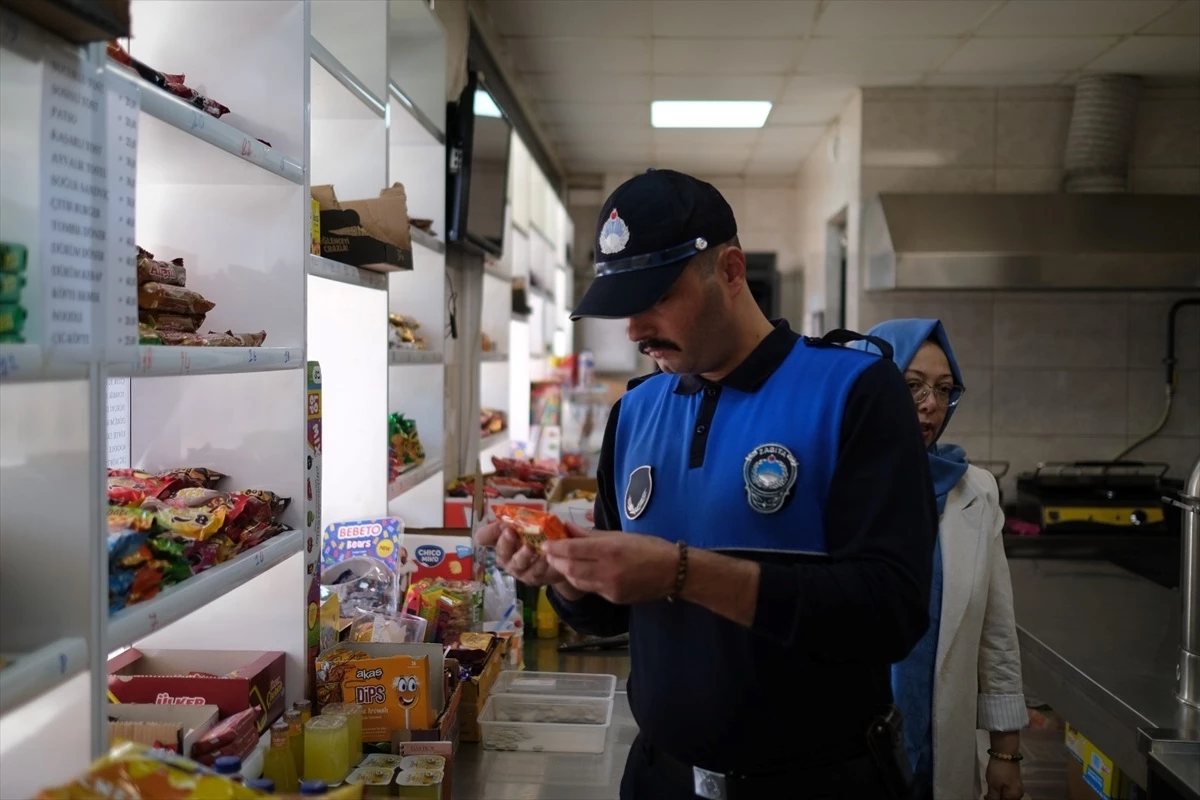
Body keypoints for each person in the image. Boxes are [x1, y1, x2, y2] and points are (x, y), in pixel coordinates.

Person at [476, 168, 938, 800]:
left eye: (656, 298)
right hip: (659, 780)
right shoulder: (635, 412)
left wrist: (683, 572)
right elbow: (610, 611)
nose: (634, 331)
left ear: (730, 269)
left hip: (819, 785)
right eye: (622, 308)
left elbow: (892, 611)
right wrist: (559, 575)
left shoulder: (854, 391)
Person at [857, 320, 1026, 800]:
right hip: (847, 754)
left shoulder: (975, 492)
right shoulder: (837, 483)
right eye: (912, 387)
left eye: (944, 390)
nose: (930, 404)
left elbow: (997, 634)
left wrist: (1005, 753)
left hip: (940, 753)